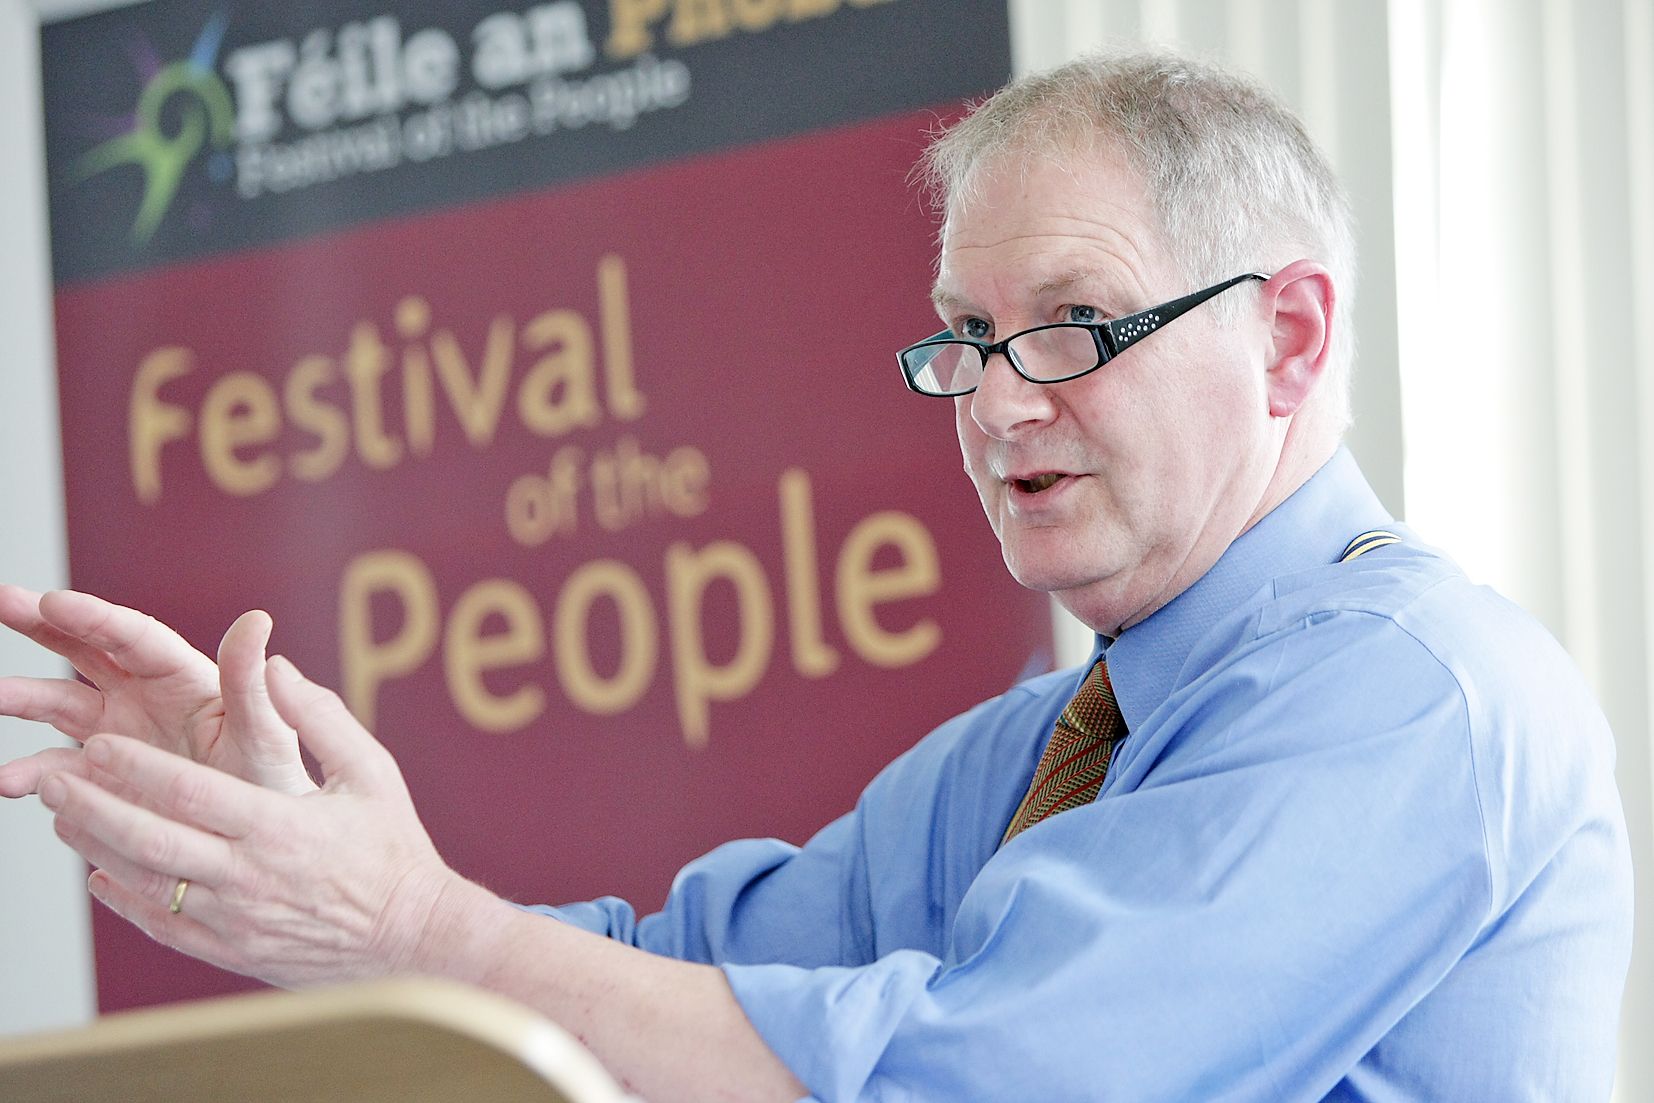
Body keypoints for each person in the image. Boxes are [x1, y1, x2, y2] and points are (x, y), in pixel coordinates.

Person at [0, 47, 1633, 1102]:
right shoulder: (1011, 758)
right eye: (968, 339)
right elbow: (676, 979)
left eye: (1071, 323)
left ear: (1284, 337)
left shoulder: (1408, 689)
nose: (997, 405)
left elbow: (993, 1085)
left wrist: (421, 923)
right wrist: (320, 880)